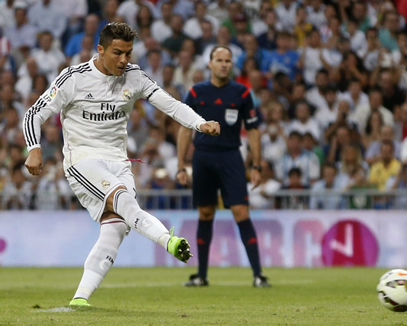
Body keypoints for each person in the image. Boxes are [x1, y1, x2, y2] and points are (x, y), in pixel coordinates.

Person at [22, 22, 220, 307]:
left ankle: (80, 299)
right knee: (124, 200)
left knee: (117, 227)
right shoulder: (73, 78)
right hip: (83, 160)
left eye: (128, 53)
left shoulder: (134, 76)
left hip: (119, 160)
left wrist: (200, 123)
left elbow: (171, 104)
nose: (124, 60)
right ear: (100, 50)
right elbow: (34, 114)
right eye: (117, 53)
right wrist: (35, 148)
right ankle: (168, 241)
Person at [176, 45, 271, 288]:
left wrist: (257, 165)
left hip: (231, 157)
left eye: (228, 60)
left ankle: (258, 275)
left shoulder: (242, 93)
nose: (224, 64)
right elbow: (185, 129)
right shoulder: (196, 93)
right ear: (210, 64)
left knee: (241, 212)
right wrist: (180, 165)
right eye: (219, 60)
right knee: (205, 213)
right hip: (204, 157)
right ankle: (201, 275)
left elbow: (253, 130)